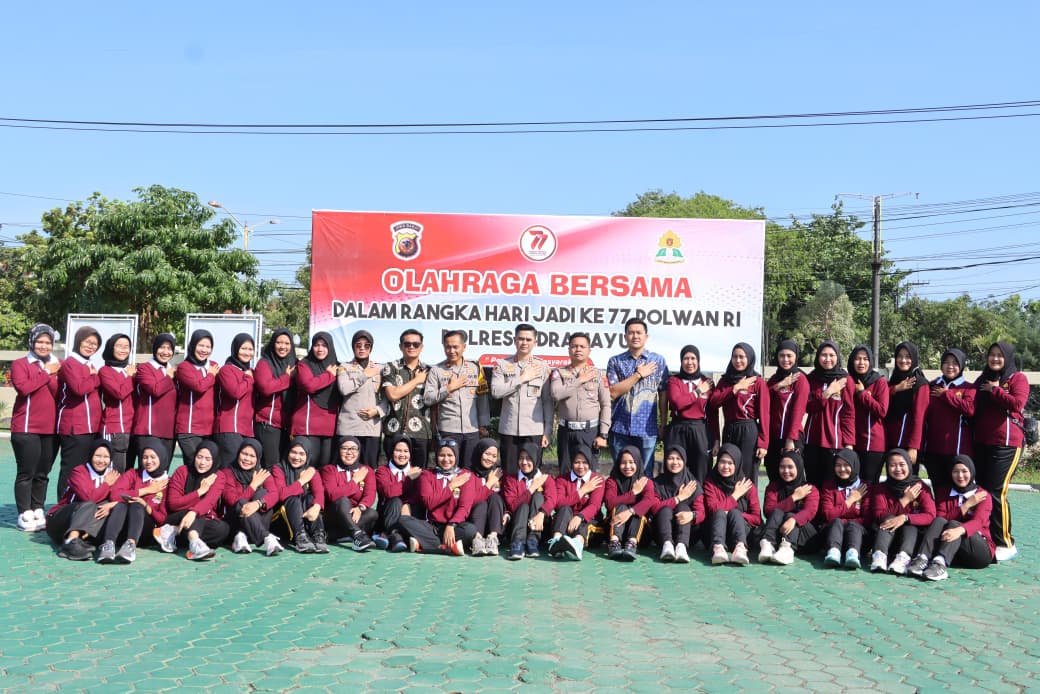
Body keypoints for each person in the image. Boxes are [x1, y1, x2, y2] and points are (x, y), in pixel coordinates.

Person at [973, 341, 1029, 561]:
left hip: (1007, 444)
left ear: (1007, 357)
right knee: (982, 492)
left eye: (999, 355)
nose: (995, 359)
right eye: (992, 354)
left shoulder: (1017, 379)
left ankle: (1005, 542)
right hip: (982, 444)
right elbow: (970, 400)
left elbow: (1017, 404)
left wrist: (995, 390)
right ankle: (985, 536)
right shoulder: (983, 378)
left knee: (997, 492)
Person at [907, 455, 995, 581]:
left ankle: (940, 564)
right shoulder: (944, 492)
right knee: (939, 521)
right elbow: (941, 517)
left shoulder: (982, 495)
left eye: (964, 471)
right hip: (954, 551)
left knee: (954, 524)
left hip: (979, 552)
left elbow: (978, 521)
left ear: (972, 472)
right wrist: (966, 506)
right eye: (956, 472)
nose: (960, 476)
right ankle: (923, 558)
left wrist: (959, 530)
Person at [11, 324, 61, 532]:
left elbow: (59, 393)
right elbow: (24, 388)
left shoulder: (57, 365)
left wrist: (52, 371)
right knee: (27, 472)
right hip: (26, 427)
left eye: (48, 342)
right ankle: (24, 513)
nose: (43, 346)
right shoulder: (20, 364)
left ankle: (38, 508)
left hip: (50, 429)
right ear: (32, 342)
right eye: (40, 341)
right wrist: (46, 372)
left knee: (43, 473)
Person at [606, 318, 669, 476]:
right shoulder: (616, 361)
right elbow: (613, 392)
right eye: (631, 333)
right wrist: (638, 375)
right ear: (625, 336)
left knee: (645, 475)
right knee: (621, 474)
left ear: (646, 336)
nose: (635, 336)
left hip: (647, 429)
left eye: (639, 333)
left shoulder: (658, 361)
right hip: (620, 427)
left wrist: (663, 424)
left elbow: (663, 394)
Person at [423, 330, 490, 469]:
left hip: (472, 430)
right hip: (448, 430)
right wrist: (448, 388)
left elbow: (482, 398)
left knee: (469, 470)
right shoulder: (436, 370)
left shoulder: (475, 367)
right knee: (448, 470)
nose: (451, 351)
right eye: (448, 347)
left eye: (455, 347)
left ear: (464, 347)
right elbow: (428, 399)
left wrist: (483, 425)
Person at [491, 324, 553, 475]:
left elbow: (547, 401)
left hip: (534, 430)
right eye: (520, 339)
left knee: (532, 474)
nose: (524, 342)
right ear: (514, 340)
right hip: (509, 429)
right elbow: (496, 392)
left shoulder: (542, 367)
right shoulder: (502, 365)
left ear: (535, 342)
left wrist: (547, 431)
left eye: (528, 339)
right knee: (509, 473)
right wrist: (522, 378)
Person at [397, 439, 476, 555]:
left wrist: (451, 525)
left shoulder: (466, 476)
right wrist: (451, 486)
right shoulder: (427, 475)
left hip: (454, 527)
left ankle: (423, 545)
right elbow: (429, 502)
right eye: (441, 455)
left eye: (450, 455)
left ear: (456, 456)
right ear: (436, 456)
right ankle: (447, 548)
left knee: (470, 530)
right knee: (403, 520)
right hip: (431, 527)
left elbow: (464, 507)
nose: (446, 459)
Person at [99, 437, 171, 563]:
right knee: (121, 505)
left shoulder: (167, 483)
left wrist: (145, 505)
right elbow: (115, 494)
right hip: (123, 527)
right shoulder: (133, 474)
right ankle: (108, 545)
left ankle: (130, 546)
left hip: (145, 532)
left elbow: (162, 519)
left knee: (137, 505)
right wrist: (146, 490)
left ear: (162, 457)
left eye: (153, 457)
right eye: (145, 457)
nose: (148, 461)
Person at [46, 439, 119, 561]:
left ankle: (81, 540)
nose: (101, 460)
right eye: (98, 456)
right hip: (59, 522)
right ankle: (70, 542)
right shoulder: (79, 471)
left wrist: (111, 505)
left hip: (84, 525)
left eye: (106, 457)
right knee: (89, 504)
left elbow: (120, 497)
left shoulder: (112, 475)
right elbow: (89, 497)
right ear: (91, 456)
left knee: (106, 505)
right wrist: (106, 484)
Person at [868, 448, 937, 574]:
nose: (898, 469)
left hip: (911, 541)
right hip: (886, 538)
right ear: (887, 468)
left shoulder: (920, 487)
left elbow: (930, 515)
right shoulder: (880, 489)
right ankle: (879, 555)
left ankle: (903, 558)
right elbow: (878, 515)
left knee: (910, 524)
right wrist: (905, 500)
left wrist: (905, 518)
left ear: (909, 465)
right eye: (892, 465)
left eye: (902, 464)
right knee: (888, 518)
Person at [709, 342, 769, 484]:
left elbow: (765, 414)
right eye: (735, 357)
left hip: (749, 431)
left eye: (742, 357)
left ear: (750, 358)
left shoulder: (757, 382)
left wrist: (763, 443)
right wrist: (735, 389)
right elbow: (713, 402)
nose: (738, 360)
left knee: (747, 473)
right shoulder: (725, 380)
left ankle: (749, 499)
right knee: (728, 470)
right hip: (730, 429)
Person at [550, 332, 610, 473]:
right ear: (569, 349)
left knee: (590, 473)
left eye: (582, 347)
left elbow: (606, 405)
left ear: (589, 350)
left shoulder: (598, 374)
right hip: (566, 431)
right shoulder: (559, 373)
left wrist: (603, 434)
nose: (578, 349)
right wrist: (580, 380)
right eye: (574, 346)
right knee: (565, 473)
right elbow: (556, 394)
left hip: (590, 432)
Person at [159, 440, 229, 560]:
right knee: (198, 515)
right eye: (199, 457)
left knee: (222, 529)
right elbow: (173, 504)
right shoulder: (182, 471)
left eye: (208, 459)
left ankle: (173, 532)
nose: (202, 463)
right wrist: (199, 492)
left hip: (196, 520)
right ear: (194, 456)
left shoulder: (218, 476)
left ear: (214, 460)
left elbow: (210, 501)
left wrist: (194, 512)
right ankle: (195, 544)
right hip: (176, 516)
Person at [56, 325, 103, 497]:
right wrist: (95, 377)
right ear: (78, 341)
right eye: (87, 341)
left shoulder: (88, 364)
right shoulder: (70, 363)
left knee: (84, 472)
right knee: (71, 471)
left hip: (90, 428)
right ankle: (63, 507)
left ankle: (78, 505)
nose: (91, 346)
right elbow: (79, 388)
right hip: (75, 428)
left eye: (95, 344)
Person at [803, 341, 856, 487]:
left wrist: (849, 444)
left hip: (835, 441)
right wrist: (827, 393)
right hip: (812, 440)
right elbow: (808, 407)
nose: (827, 359)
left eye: (831, 355)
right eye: (824, 355)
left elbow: (848, 414)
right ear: (818, 357)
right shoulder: (811, 379)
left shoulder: (845, 380)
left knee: (831, 485)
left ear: (837, 357)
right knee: (813, 484)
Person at [664, 345, 719, 484]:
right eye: (686, 359)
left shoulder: (707, 383)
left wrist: (716, 439)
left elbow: (713, 413)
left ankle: (700, 498)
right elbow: (677, 402)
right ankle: (675, 497)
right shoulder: (674, 381)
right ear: (681, 361)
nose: (690, 362)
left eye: (693, 358)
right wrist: (698, 392)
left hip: (700, 430)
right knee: (675, 469)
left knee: (702, 471)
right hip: (678, 429)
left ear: (698, 360)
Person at [920, 348, 975, 483]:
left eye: (955, 363)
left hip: (958, 452)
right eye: (946, 362)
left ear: (961, 366)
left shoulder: (968, 388)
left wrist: (946, 394)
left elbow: (969, 409)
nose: (950, 366)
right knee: (938, 489)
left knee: (957, 490)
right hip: (933, 451)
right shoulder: (931, 386)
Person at [220, 438, 283, 556]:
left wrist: (258, 503)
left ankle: (242, 537)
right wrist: (253, 485)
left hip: (256, 524)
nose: (247, 459)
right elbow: (232, 500)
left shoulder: (262, 473)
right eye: (244, 454)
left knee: (262, 495)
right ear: (238, 453)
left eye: (252, 456)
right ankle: (266, 538)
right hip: (233, 521)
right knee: (240, 502)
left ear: (258, 458)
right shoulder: (227, 473)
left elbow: (274, 494)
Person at [381, 329, 433, 468]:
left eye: (416, 344)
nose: (411, 347)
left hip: (421, 433)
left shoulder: (429, 371)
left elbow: (435, 404)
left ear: (421, 347)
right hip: (394, 430)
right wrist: (417, 380)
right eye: (407, 344)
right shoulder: (391, 367)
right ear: (401, 346)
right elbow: (392, 395)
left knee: (418, 475)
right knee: (394, 474)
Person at [703, 443, 761, 566]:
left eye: (730, 463)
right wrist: (735, 496)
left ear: (737, 464)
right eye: (722, 462)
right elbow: (712, 509)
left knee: (734, 512)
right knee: (719, 513)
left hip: (742, 533)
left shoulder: (747, 486)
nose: (726, 466)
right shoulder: (710, 483)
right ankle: (718, 549)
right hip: (715, 532)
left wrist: (735, 515)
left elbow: (757, 518)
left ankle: (740, 548)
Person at [757, 450, 819, 565]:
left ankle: (787, 549)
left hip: (803, 538)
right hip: (778, 534)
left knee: (791, 515)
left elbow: (810, 511)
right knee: (777, 511)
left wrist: (794, 520)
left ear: (799, 467)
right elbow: (768, 510)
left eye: (790, 467)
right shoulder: (773, 487)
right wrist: (793, 498)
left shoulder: (809, 488)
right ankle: (768, 544)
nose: (786, 471)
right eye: (782, 467)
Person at [291, 332, 341, 470]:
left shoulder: (337, 366)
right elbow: (309, 386)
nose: (320, 349)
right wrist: (328, 375)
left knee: (325, 466)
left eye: (324, 345)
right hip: (308, 425)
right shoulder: (304, 365)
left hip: (330, 425)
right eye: (316, 345)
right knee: (308, 466)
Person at [546, 444, 605, 561]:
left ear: (590, 462)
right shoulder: (562, 479)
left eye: (584, 462)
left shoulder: (597, 480)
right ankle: (557, 542)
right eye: (577, 462)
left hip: (588, 524)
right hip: (565, 524)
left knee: (585, 522)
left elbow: (595, 506)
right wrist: (582, 491)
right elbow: (559, 503)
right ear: (571, 462)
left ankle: (577, 545)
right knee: (564, 509)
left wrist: (580, 516)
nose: (581, 466)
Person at [336, 330, 385, 468]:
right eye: (358, 345)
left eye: (366, 345)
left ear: (371, 348)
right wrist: (365, 375)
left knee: (369, 469)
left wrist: (378, 411)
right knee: (346, 468)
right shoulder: (344, 367)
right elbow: (344, 389)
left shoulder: (380, 368)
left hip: (371, 428)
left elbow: (386, 397)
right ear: (353, 347)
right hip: (349, 427)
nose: (362, 348)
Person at [321, 435, 378, 551]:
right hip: (334, 513)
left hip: (355, 513)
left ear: (359, 451)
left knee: (372, 514)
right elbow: (333, 495)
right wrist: (355, 481)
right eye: (345, 448)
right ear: (339, 450)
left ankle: (334, 535)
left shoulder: (366, 470)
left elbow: (370, 494)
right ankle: (357, 535)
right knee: (343, 500)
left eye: (353, 449)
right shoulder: (329, 470)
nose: (349, 452)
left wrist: (360, 508)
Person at [502, 441, 557, 560]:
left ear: (535, 459)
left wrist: (542, 513)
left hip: (539, 526)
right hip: (517, 525)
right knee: (523, 506)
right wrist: (531, 488)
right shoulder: (511, 480)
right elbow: (512, 505)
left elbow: (552, 500)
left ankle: (533, 541)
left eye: (528, 458)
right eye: (521, 458)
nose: (524, 462)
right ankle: (518, 542)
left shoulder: (545, 479)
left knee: (538, 497)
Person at [764, 339, 808, 485]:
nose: (785, 359)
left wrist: (790, 439)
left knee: (792, 480)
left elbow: (798, 411)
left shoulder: (800, 379)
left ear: (796, 357)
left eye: (789, 356)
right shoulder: (774, 379)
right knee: (774, 478)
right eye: (782, 356)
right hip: (773, 438)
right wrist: (779, 385)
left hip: (792, 439)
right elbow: (763, 401)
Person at [271, 439, 328, 553]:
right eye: (293, 452)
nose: (297, 457)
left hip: (305, 517)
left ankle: (318, 534)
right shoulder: (278, 469)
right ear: (288, 452)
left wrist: (317, 506)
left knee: (311, 499)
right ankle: (300, 537)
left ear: (308, 456)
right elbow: (281, 495)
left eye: (302, 454)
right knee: (292, 498)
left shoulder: (311, 471)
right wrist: (302, 481)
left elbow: (319, 493)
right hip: (283, 521)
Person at [604, 446, 658, 561]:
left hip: (640, 534)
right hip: (613, 527)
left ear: (638, 462)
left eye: (631, 462)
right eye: (623, 463)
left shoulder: (645, 482)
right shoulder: (612, 481)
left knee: (638, 511)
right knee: (620, 506)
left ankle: (631, 543)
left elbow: (648, 501)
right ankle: (614, 542)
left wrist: (630, 512)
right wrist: (633, 493)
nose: (627, 466)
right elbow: (609, 503)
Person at [174, 329, 220, 468]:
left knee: (207, 468)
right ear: (193, 345)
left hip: (209, 429)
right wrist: (211, 375)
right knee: (194, 466)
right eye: (200, 345)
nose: (204, 350)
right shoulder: (184, 367)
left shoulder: (213, 365)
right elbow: (199, 387)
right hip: (189, 429)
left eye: (208, 347)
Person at [884, 342, 928, 481]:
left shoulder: (920, 384)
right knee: (892, 483)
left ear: (914, 358)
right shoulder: (893, 381)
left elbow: (919, 418)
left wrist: (913, 447)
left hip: (907, 444)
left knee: (908, 483)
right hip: (890, 442)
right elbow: (881, 401)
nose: (903, 360)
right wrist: (896, 389)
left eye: (908, 357)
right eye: (900, 356)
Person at [819, 449, 871, 570]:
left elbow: (867, 518)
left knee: (853, 525)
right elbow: (827, 515)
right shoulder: (829, 486)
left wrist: (846, 522)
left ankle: (853, 555)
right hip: (832, 535)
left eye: (846, 465)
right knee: (836, 522)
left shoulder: (865, 487)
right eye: (838, 465)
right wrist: (850, 501)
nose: (842, 469)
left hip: (858, 538)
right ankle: (833, 553)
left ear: (854, 465)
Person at [253, 328, 297, 469]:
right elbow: (266, 388)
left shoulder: (294, 363)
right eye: (279, 342)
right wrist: (286, 378)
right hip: (268, 424)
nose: (282, 346)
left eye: (287, 343)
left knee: (285, 466)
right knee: (272, 466)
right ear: (273, 343)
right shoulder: (264, 363)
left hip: (287, 426)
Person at [652, 445, 703, 563]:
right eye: (671, 458)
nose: (675, 462)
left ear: (684, 461)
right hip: (661, 533)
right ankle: (667, 546)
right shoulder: (657, 483)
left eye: (678, 459)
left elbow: (702, 512)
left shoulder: (692, 484)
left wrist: (692, 515)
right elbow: (654, 508)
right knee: (665, 509)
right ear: (665, 461)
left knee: (683, 507)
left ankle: (681, 547)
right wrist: (678, 498)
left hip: (688, 535)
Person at [846, 345, 889, 485]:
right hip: (852, 442)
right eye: (857, 359)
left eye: (865, 359)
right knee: (851, 483)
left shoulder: (879, 382)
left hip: (872, 443)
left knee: (869, 485)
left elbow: (882, 410)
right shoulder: (847, 381)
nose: (861, 362)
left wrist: (862, 393)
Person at [374, 435, 424, 552]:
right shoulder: (382, 471)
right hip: (387, 515)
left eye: (406, 451)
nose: (402, 455)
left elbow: (419, 496)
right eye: (398, 450)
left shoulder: (417, 471)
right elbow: (389, 492)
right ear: (391, 451)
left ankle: (389, 536)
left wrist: (406, 504)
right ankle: (394, 535)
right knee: (395, 501)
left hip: (409, 514)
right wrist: (407, 478)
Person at [132, 333, 177, 463]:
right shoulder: (144, 368)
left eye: (169, 349)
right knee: (147, 470)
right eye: (162, 347)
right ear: (155, 348)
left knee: (163, 472)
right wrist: (168, 377)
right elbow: (155, 390)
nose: (165, 352)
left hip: (168, 432)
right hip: (148, 430)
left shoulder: (173, 371)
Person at [214, 333, 256, 468]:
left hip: (246, 429)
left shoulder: (250, 371)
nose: (247, 352)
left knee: (244, 469)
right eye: (243, 348)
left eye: (250, 349)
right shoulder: (227, 370)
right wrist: (248, 379)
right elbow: (235, 393)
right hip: (229, 428)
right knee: (230, 469)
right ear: (235, 348)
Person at [98, 333, 136, 473]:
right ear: (111, 348)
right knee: (114, 474)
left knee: (128, 473)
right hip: (114, 428)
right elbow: (118, 393)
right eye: (119, 346)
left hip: (131, 428)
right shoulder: (105, 371)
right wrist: (130, 377)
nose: (123, 350)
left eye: (126, 347)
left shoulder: (132, 370)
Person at [467, 438, 506, 556]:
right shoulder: (468, 473)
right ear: (479, 452)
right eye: (487, 454)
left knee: (495, 497)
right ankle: (477, 540)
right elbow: (472, 500)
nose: (490, 459)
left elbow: (506, 497)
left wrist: (507, 513)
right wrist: (489, 483)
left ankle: (493, 539)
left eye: (494, 456)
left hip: (496, 522)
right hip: (474, 520)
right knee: (481, 503)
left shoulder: (499, 472)